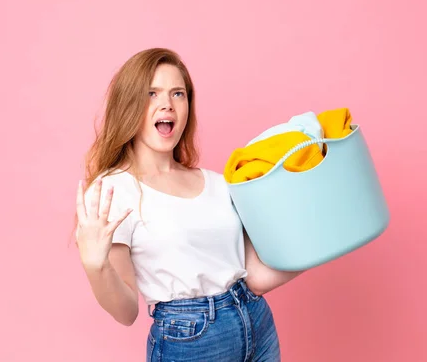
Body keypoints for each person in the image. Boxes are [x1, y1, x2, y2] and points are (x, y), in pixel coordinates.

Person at [74, 47, 304, 361]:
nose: (166, 103)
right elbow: (126, 312)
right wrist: (95, 266)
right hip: (190, 341)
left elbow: (254, 276)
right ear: (128, 104)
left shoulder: (217, 183)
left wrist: (320, 245)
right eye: (151, 93)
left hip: (256, 322)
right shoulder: (113, 190)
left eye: (178, 93)